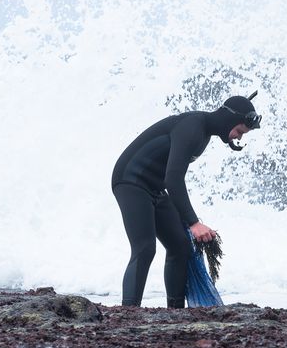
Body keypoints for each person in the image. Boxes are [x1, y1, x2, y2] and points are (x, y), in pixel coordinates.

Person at [111, 92, 261, 307]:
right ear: (229, 119)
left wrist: (189, 221)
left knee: (180, 246)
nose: (239, 137)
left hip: (155, 188)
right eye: (239, 131)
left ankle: (176, 311)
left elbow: (169, 179)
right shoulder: (192, 127)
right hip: (130, 181)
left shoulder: (204, 134)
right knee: (144, 248)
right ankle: (128, 312)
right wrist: (193, 222)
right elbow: (173, 179)